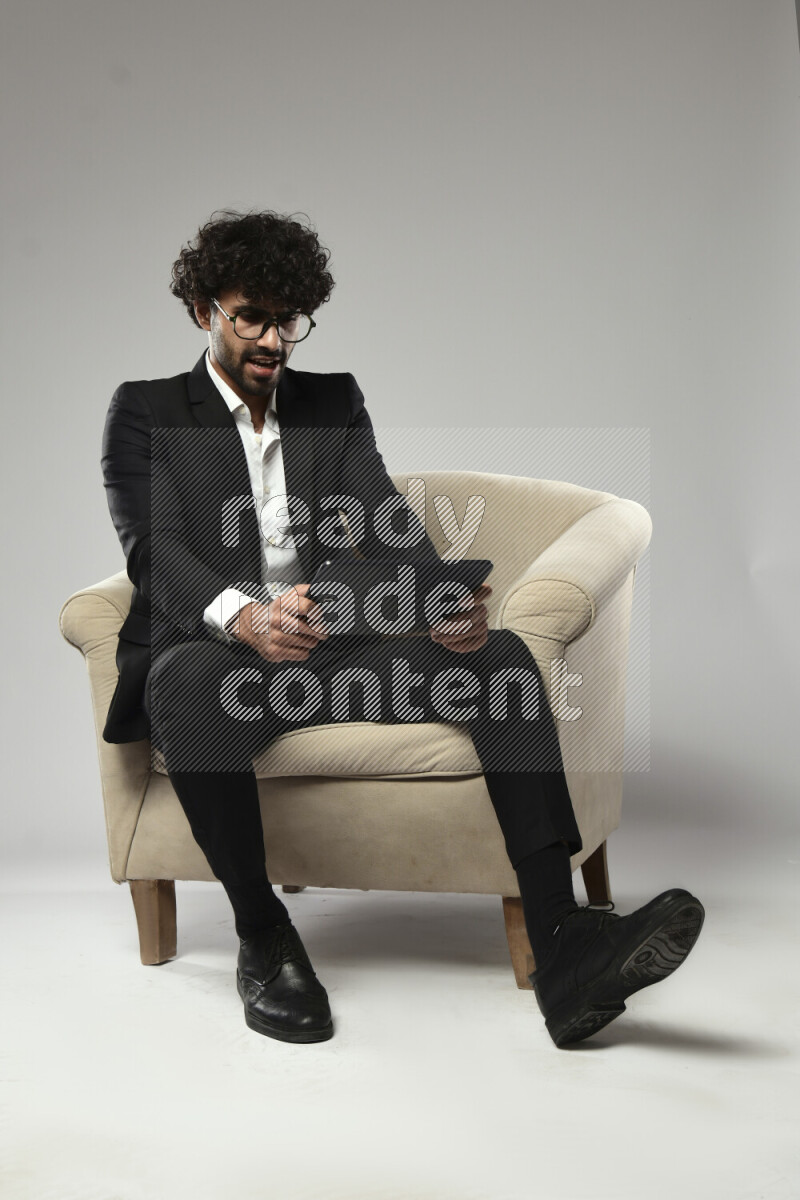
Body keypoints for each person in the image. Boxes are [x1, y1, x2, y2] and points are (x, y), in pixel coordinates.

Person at [101, 209, 704, 1049]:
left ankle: (564, 944)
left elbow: (384, 522)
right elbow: (155, 551)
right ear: (203, 310)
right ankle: (264, 937)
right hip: (220, 664)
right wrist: (247, 617)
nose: (273, 340)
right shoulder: (145, 410)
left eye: (288, 320)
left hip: (329, 655)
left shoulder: (332, 401)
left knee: (498, 659)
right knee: (187, 681)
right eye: (250, 318)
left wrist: (437, 602)